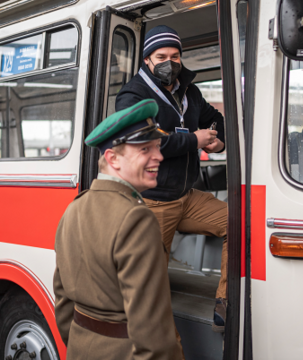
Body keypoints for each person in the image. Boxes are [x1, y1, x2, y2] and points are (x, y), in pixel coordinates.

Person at [115, 25, 229, 332]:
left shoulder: (188, 91)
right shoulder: (132, 95)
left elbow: (213, 118)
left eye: (175, 55)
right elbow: (144, 143)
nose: (170, 62)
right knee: (150, 287)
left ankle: (226, 301)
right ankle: (163, 346)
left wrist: (219, 139)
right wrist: (195, 139)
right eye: (161, 56)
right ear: (148, 60)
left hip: (186, 196)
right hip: (152, 201)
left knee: (240, 222)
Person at [53, 99, 182, 360]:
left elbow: (63, 299)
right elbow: (153, 332)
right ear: (113, 158)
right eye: (145, 148)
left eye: (157, 147)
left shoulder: (73, 209)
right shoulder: (136, 218)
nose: (159, 156)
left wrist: (83, 340)